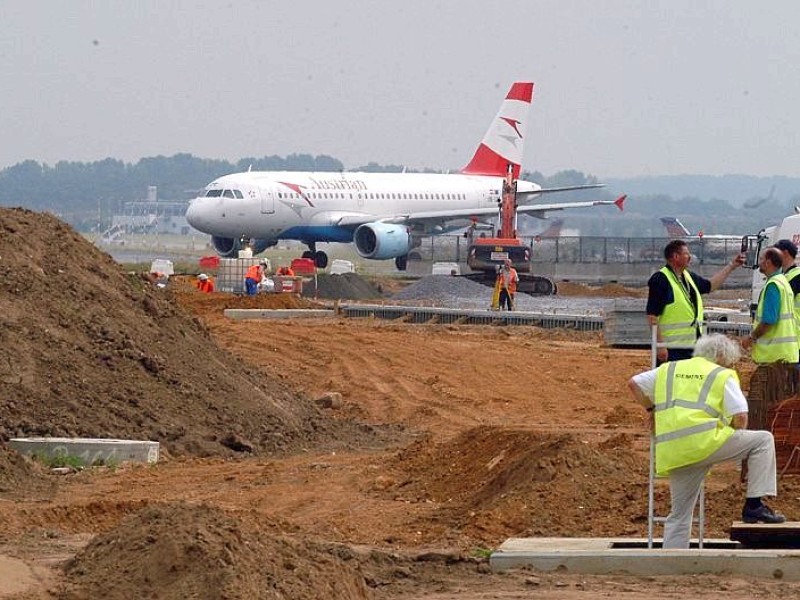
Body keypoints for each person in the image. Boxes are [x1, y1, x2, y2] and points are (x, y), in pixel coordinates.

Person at [628, 333, 785, 549]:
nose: (730, 364)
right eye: (729, 360)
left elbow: (634, 383)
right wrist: (733, 436)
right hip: (707, 441)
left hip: (675, 449)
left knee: (679, 515)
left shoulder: (670, 369)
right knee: (763, 441)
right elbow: (741, 417)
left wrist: (651, 409)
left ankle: (671, 565)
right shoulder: (722, 375)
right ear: (721, 355)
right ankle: (754, 505)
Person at [647, 239, 744, 365]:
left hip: (693, 346)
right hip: (671, 348)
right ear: (676, 256)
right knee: (670, 382)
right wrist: (660, 345)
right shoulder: (660, 279)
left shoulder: (688, 276)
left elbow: (710, 286)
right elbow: (652, 316)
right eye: (686, 254)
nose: (690, 257)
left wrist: (731, 266)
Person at [742, 246, 799, 364]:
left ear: (768, 263)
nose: (759, 262)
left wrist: (751, 337)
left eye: (761, 258)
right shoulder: (783, 281)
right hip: (787, 354)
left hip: (774, 357)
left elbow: (768, 321)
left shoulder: (773, 285)